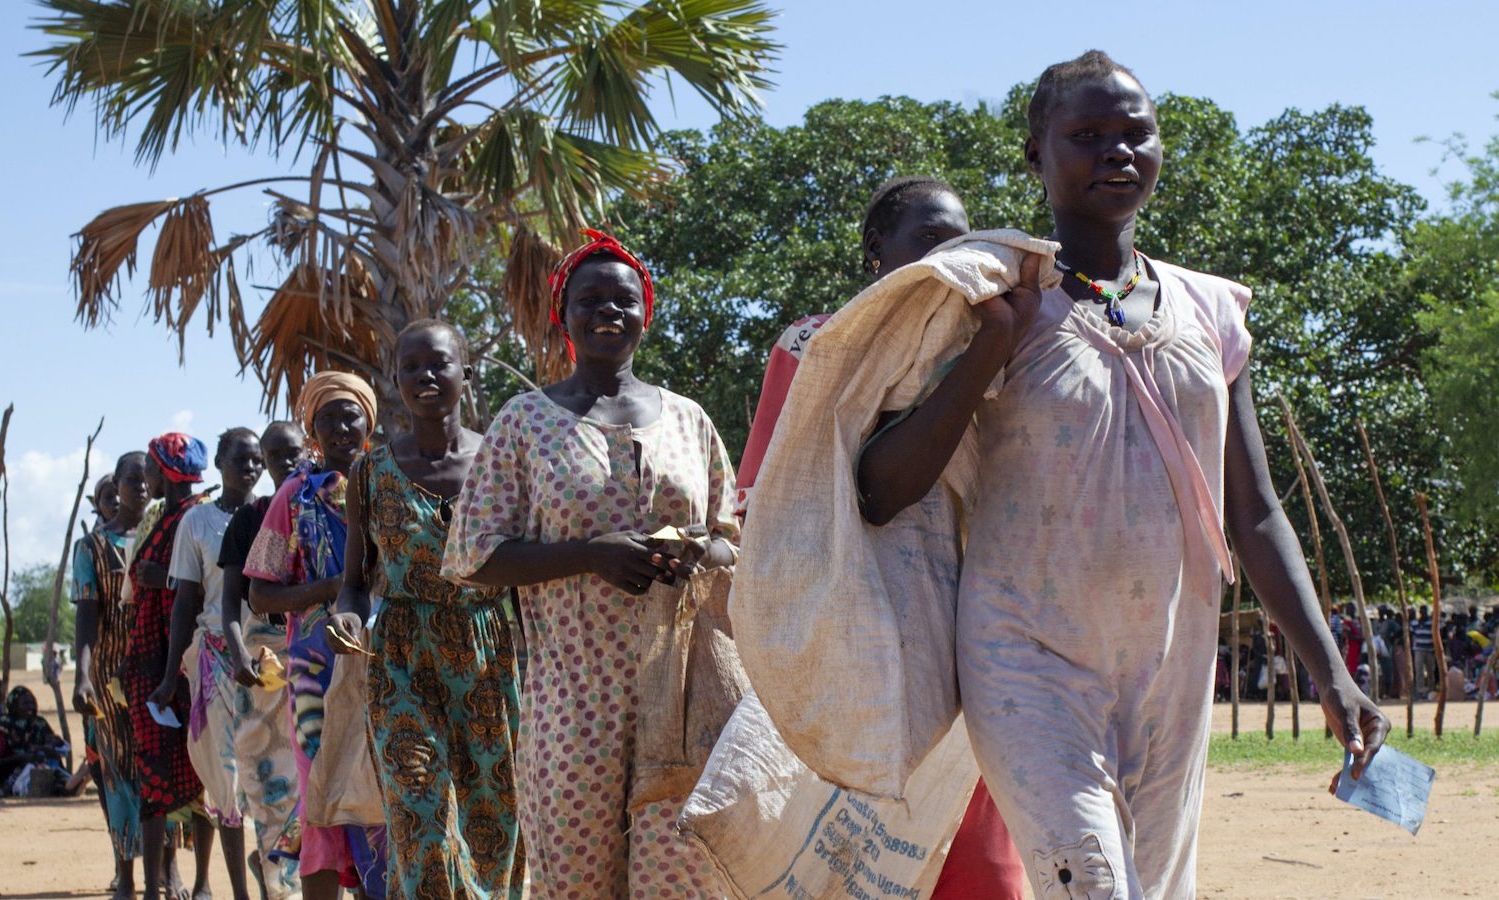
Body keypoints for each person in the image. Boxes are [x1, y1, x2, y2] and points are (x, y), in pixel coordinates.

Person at [855, 51, 1387, 897]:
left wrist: (1331, 670)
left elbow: (1252, 511)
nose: (1117, 151)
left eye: (1135, 133)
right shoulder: (990, 299)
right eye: (1088, 135)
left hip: (1169, 673)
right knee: (1094, 886)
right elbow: (881, 486)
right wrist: (992, 343)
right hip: (1026, 662)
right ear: (1037, 155)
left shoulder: (1209, 311)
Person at [733, 176, 1024, 898]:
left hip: (971, 642)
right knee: (854, 861)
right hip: (851, 647)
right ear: (875, 251)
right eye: (929, 240)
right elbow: (775, 502)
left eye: (961, 241)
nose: (949, 257)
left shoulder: (1003, 348)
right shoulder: (818, 345)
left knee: (980, 864)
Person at [445, 229, 739, 896]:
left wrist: (697, 548)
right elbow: (473, 555)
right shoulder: (523, 423)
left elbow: (731, 543)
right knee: (577, 880)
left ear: (647, 311)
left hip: (683, 699)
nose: (609, 311)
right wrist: (589, 555)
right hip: (572, 703)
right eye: (591, 299)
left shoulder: (689, 420)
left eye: (624, 299)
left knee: (681, 879)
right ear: (564, 315)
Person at [327, 320, 525, 898]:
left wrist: (539, 665)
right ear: (397, 380)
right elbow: (354, 582)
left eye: (438, 363)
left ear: (466, 372)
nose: (425, 377)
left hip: (487, 656)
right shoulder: (371, 472)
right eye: (411, 367)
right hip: (401, 658)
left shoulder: (501, 464)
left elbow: (521, 575)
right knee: (422, 815)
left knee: (494, 820)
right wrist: (346, 614)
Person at [246, 374, 387, 900]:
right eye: (327, 418)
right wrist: (330, 588)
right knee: (323, 803)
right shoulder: (294, 498)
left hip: (386, 662)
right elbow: (260, 595)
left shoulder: (389, 484)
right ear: (313, 431)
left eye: (350, 415)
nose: (341, 427)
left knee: (383, 797)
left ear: (368, 423)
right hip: (314, 676)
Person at [152, 428, 267, 900]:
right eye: (241, 458)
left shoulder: (273, 511)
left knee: (270, 773)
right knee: (227, 781)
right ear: (219, 461)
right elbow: (185, 601)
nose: (251, 467)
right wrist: (167, 675)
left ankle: (271, 879)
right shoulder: (196, 523)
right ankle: (240, 892)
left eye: (258, 460)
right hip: (216, 658)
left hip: (270, 655)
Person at [218, 421, 307, 900]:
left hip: (318, 657)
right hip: (263, 664)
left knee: (322, 780)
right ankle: (280, 885)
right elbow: (231, 602)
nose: (285, 462)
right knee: (269, 782)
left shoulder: (324, 506)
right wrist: (238, 656)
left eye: (293, 452)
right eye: (276, 456)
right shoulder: (250, 519)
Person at [126, 433, 212, 900]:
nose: (147, 478)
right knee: (155, 775)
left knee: (204, 774)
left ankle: (200, 883)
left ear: (167, 472)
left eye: (152, 470)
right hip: (151, 661)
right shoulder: (162, 519)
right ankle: (153, 885)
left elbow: (211, 583)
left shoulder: (197, 519)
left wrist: (166, 580)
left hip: (184, 663)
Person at [73, 451, 151, 899]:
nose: (139, 487)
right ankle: (125, 873)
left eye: (146, 480)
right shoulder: (93, 548)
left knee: (158, 770)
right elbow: (87, 614)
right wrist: (83, 676)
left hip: (157, 670)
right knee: (118, 773)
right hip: (108, 676)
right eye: (130, 480)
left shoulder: (165, 537)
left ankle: (168, 870)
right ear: (116, 485)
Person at [0, 685, 71, 794]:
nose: (30, 707)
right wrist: (20, 758)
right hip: (10, 774)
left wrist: (54, 745)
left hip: (43, 768)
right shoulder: (4, 727)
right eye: (25, 704)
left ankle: (64, 784)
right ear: (13, 706)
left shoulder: (39, 723)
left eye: (32, 703)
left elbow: (55, 748)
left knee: (51, 768)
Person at [1412, 606, 1438, 698]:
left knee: (1431, 670)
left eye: (1424, 611)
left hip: (1430, 650)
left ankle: (1431, 689)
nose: (1423, 613)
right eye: (1421, 611)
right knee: (1419, 670)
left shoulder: (1431, 623)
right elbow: (1412, 635)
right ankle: (1420, 690)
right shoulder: (1414, 623)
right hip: (1418, 649)